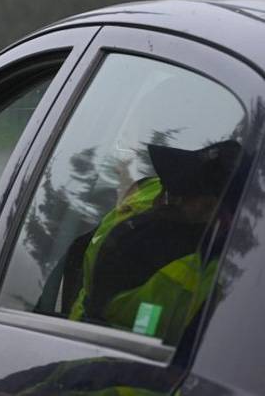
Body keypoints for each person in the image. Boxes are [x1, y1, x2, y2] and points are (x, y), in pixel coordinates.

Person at [68, 139, 240, 344]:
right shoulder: (146, 195)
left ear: (209, 208)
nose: (157, 198)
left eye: (172, 195)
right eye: (163, 184)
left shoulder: (208, 279)